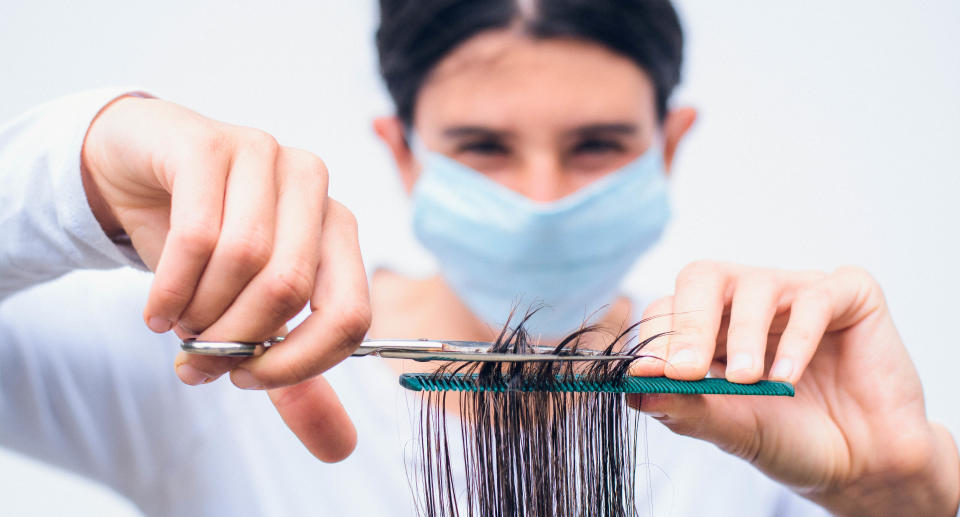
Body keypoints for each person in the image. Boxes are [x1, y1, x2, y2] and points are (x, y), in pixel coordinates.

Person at [0, 0, 957, 515]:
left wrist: (902, 490)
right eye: (484, 149)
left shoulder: (769, 408)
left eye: (595, 146)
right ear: (401, 149)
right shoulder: (202, 364)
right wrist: (75, 164)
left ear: (669, 145)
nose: (540, 200)